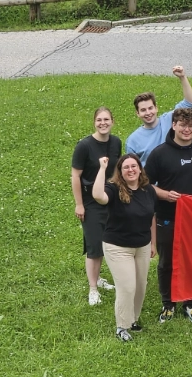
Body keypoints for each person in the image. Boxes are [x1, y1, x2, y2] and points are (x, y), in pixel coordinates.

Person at [144, 108, 192, 323]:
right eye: (183, 125)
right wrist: (165, 195)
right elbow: (145, 185)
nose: (187, 130)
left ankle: (191, 303)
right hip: (167, 217)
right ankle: (168, 304)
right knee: (166, 263)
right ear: (174, 125)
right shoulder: (159, 153)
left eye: (191, 126)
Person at [92, 154, 156, 341]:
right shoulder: (114, 189)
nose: (130, 170)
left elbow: (152, 216)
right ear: (120, 172)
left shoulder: (148, 190)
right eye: (126, 167)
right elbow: (98, 196)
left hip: (142, 246)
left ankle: (133, 319)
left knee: (140, 286)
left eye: (134, 166)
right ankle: (122, 326)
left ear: (140, 169)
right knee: (127, 287)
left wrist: (153, 242)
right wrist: (102, 168)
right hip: (118, 246)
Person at [71, 107, 121, 306]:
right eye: (99, 120)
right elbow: (75, 176)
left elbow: (115, 171)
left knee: (106, 242)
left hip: (109, 199)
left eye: (106, 119)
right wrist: (79, 204)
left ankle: (98, 278)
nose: (103, 123)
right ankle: (93, 288)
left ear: (112, 121)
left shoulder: (116, 142)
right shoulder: (84, 146)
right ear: (94, 122)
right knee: (94, 245)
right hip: (90, 202)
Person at [125, 65, 192, 165]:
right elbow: (133, 167)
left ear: (156, 108)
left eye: (150, 108)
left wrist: (182, 77)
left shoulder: (170, 119)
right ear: (138, 113)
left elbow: (189, 103)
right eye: (143, 110)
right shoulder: (133, 140)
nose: (148, 113)